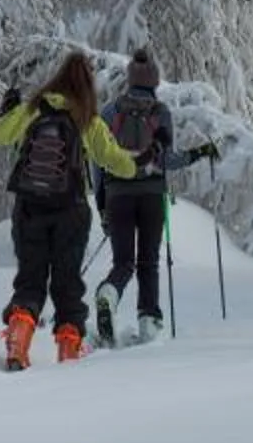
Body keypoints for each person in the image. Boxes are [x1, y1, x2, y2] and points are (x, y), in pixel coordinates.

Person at [0, 50, 139, 368]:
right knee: (67, 283)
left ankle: (18, 339)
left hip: (29, 208)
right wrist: (138, 164)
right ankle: (68, 350)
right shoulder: (86, 118)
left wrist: (4, 111)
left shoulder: (33, 109)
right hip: (72, 210)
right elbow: (117, 162)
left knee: (30, 278)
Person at [92, 48, 217, 342]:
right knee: (149, 260)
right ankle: (149, 321)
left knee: (123, 262)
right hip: (151, 195)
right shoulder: (161, 113)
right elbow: (165, 160)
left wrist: (102, 205)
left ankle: (109, 292)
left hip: (117, 194)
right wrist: (198, 154)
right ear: (154, 81)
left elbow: (98, 162)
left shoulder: (110, 112)